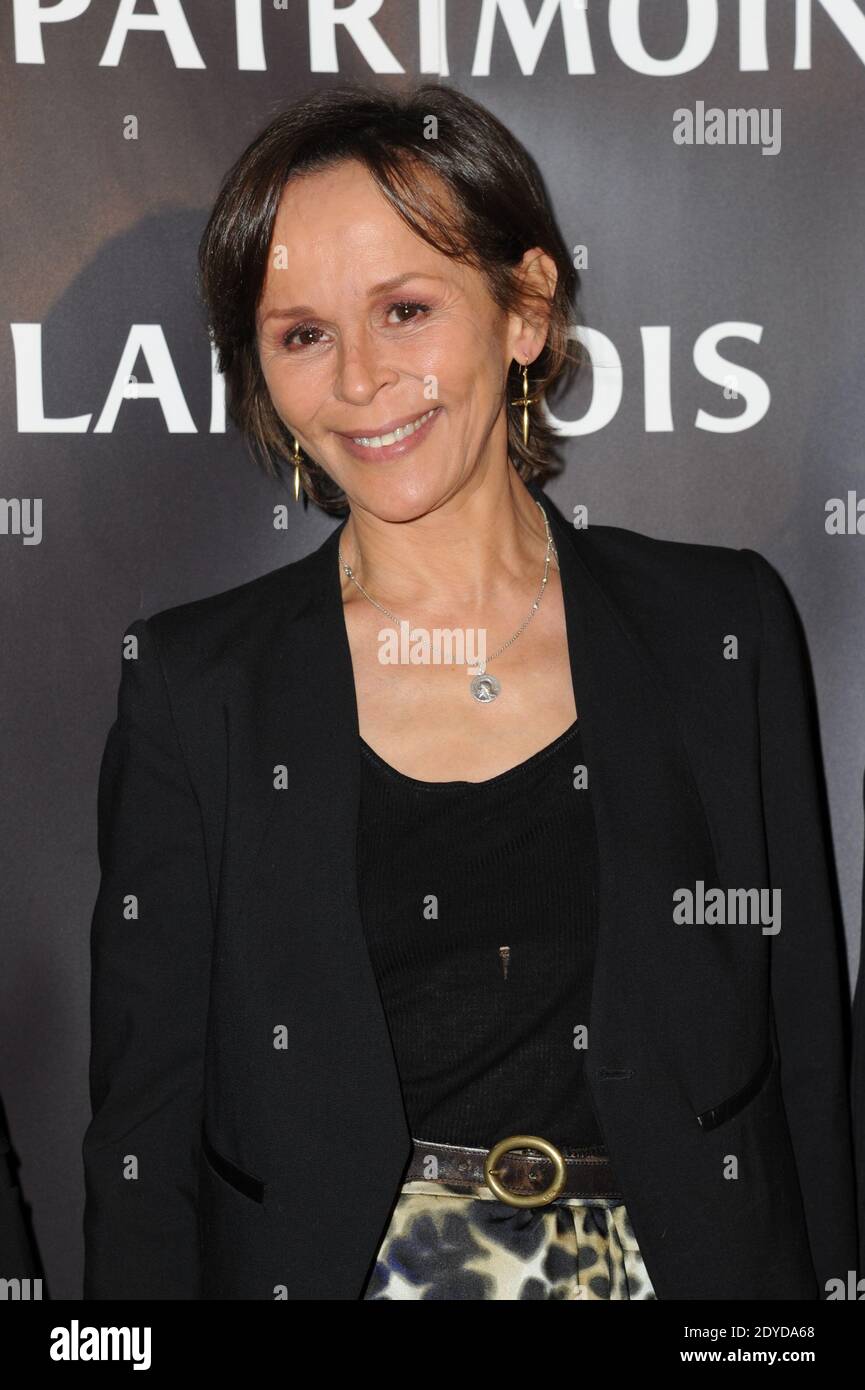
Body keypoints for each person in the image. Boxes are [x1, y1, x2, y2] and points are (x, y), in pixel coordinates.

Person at [82, 82, 858, 1301]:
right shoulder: (197, 689)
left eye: (403, 309)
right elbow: (145, 1130)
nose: (360, 381)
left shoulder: (719, 628)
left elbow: (804, 1055)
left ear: (526, 309)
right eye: (302, 335)